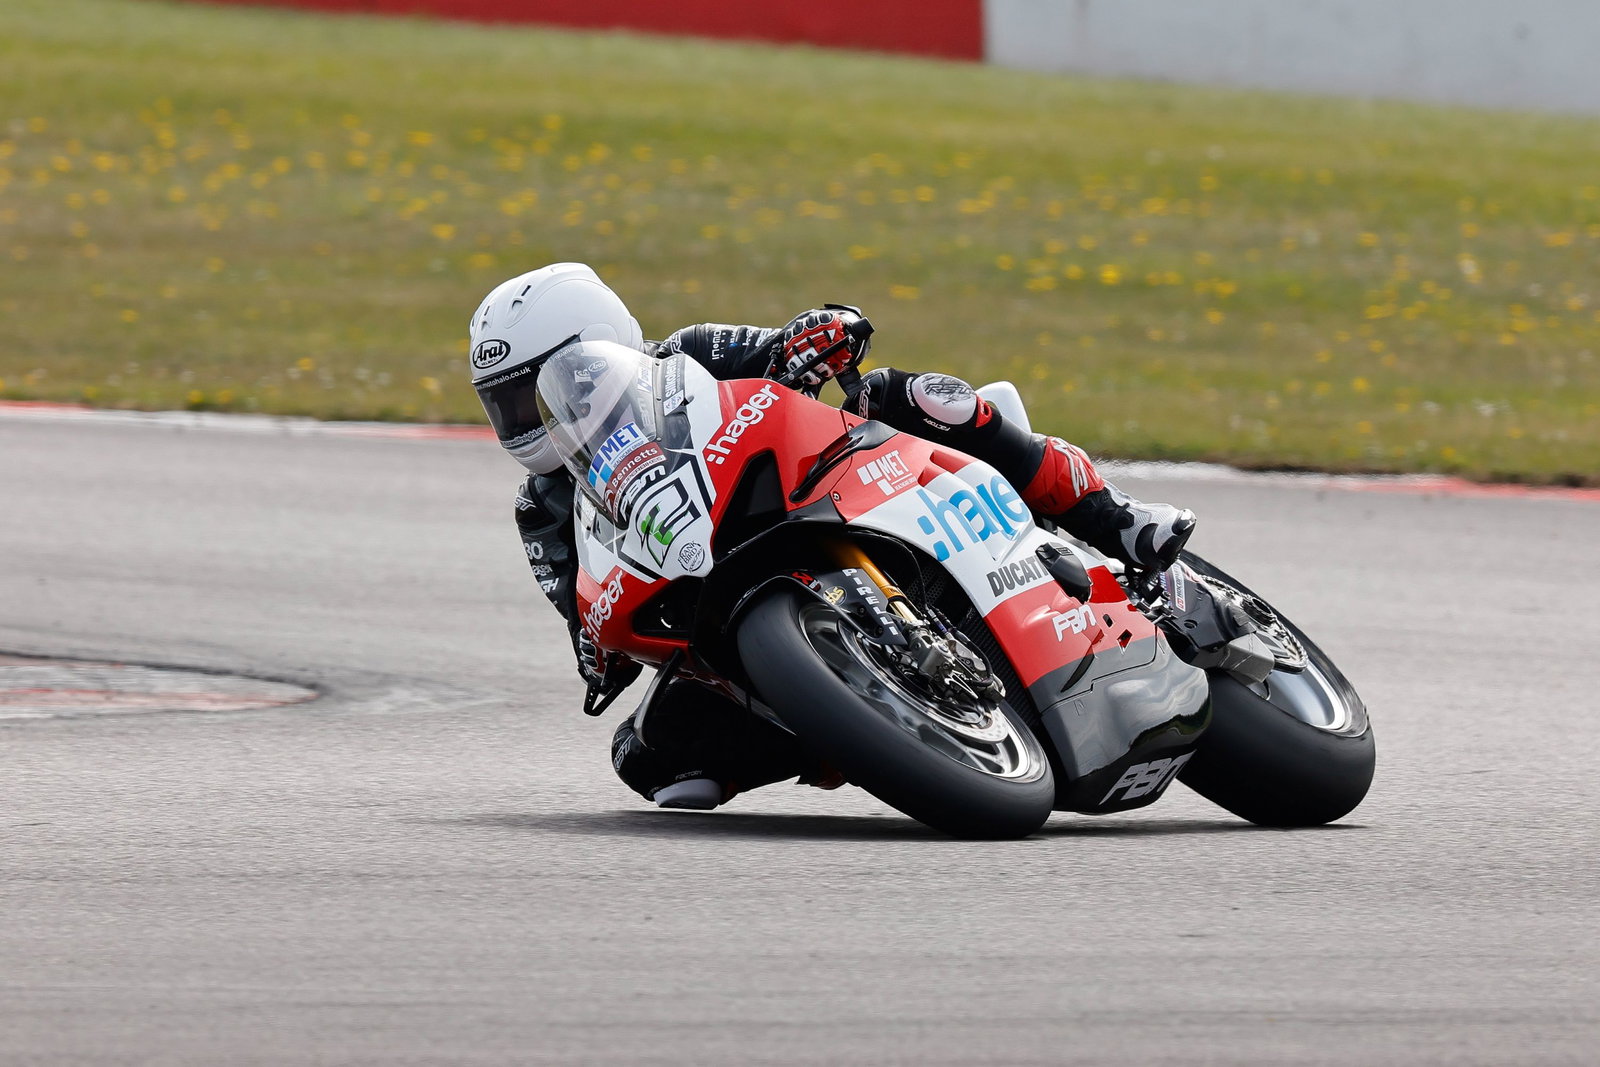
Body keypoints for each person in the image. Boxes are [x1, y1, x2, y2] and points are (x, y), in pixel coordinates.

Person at [469, 262, 1196, 810]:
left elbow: (799, 344)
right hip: (718, 602)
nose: (526, 421)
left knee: (908, 394)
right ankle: (857, 718)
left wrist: (810, 341)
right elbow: (580, 606)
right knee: (649, 761)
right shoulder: (541, 509)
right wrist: (598, 650)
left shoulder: (686, 356)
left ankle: (1114, 516)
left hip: (830, 494)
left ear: (598, 346)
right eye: (503, 405)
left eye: (535, 389)